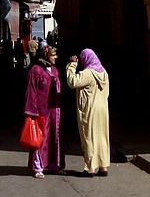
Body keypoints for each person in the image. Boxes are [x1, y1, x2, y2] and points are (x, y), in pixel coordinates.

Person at [66, 48, 110, 176]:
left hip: (90, 109)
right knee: (102, 137)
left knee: (89, 136)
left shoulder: (88, 73)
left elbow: (72, 81)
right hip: (102, 108)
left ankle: (90, 168)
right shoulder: (104, 72)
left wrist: (72, 65)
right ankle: (103, 166)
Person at [23, 44, 62, 178]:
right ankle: (37, 166)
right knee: (39, 139)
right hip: (40, 111)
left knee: (52, 137)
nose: (55, 57)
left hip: (54, 110)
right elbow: (31, 91)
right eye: (53, 55)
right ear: (46, 56)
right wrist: (31, 111)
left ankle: (51, 164)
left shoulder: (55, 70)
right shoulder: (35, 70)